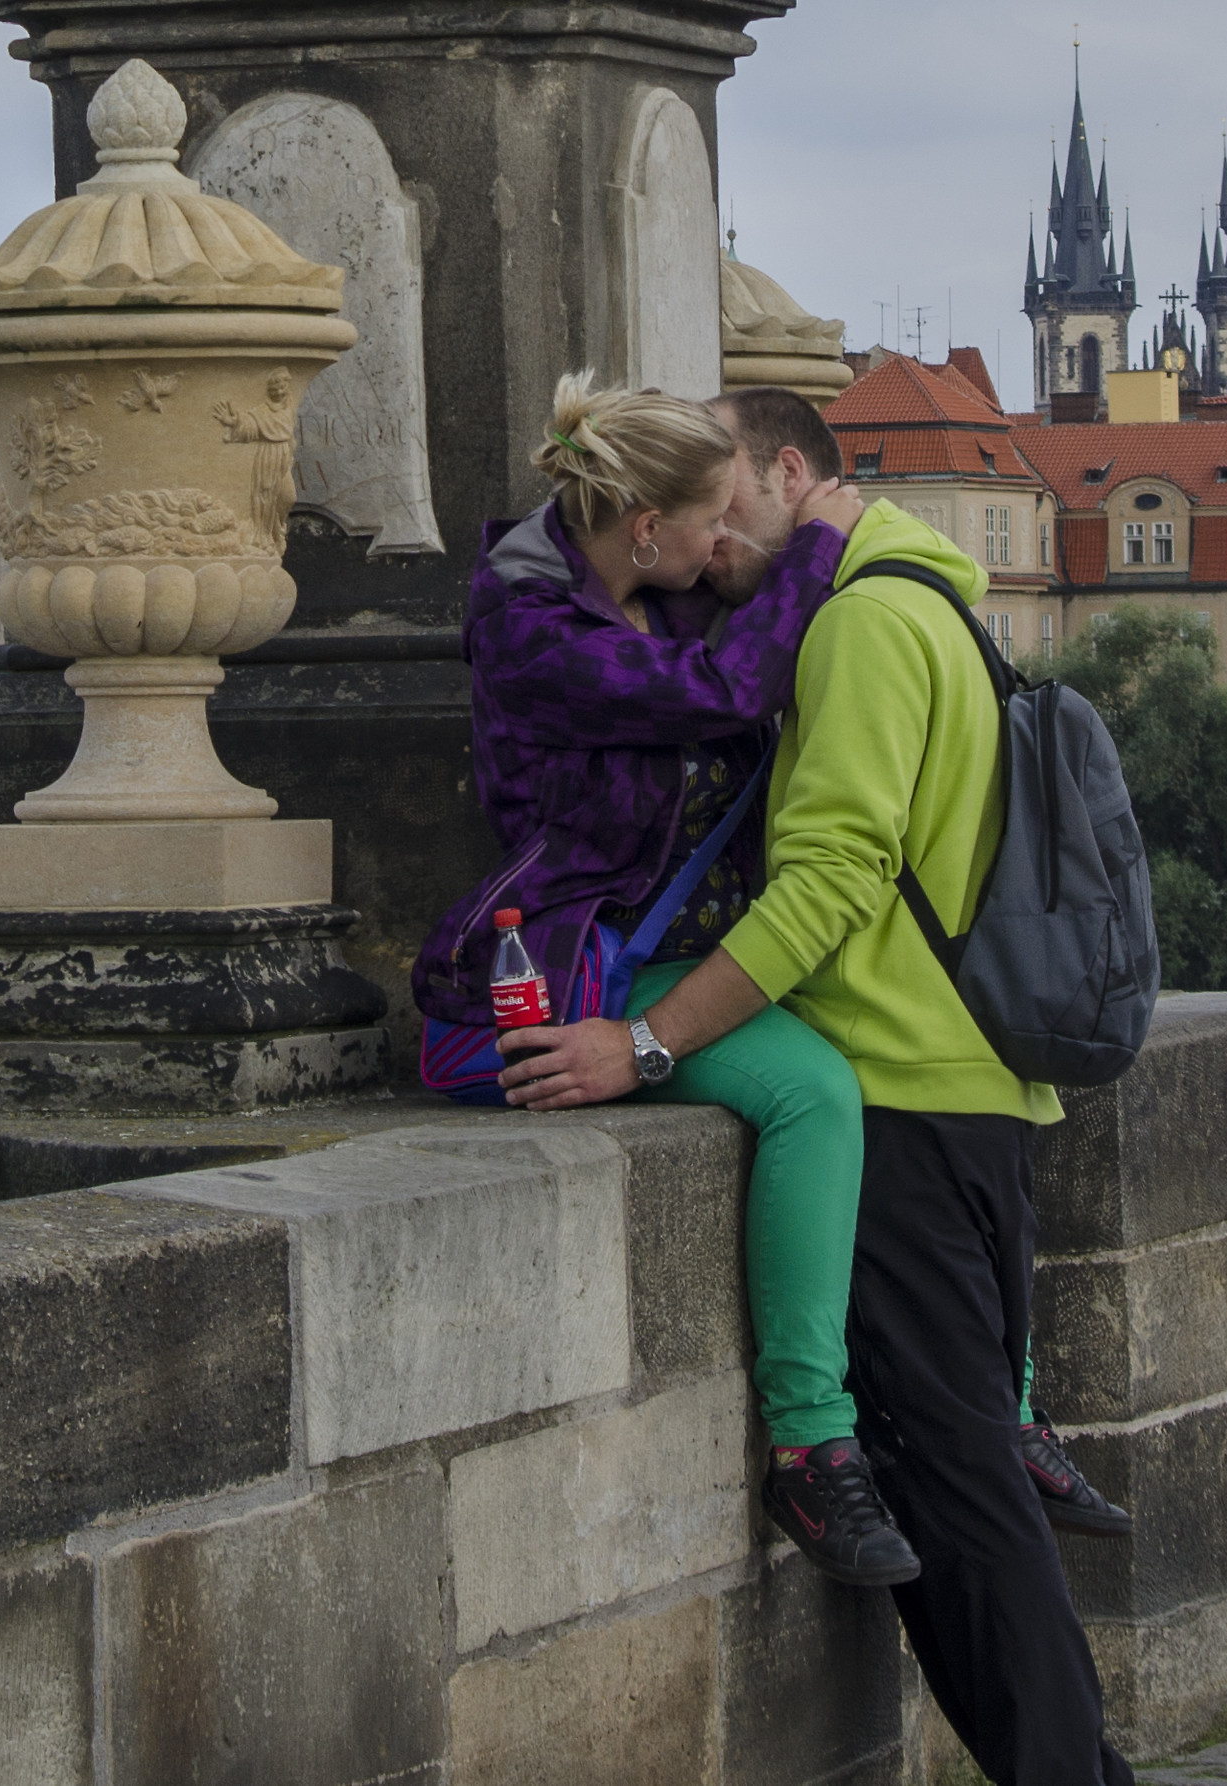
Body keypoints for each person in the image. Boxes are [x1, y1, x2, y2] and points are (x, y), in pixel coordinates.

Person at [500, 390, 1136, 1786]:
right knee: (985, 1486)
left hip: (904, 1088)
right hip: (979, 1082)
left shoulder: (856, 626)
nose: (710, 541)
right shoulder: (927, 588)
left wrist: (653, 1040)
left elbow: (833, 884)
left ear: (795, 474)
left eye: (726, 500)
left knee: (959, 1502)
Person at [412, 372, 918, 1586]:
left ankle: (991, 1393)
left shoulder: (647, 590)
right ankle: (811, 1449)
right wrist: (825, 545)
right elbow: (729, 691)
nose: (727, 540)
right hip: (590, 958)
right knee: (814, 1095)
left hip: (674, 937)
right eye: (712, 520)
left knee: (897, 1062)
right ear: (648, 529)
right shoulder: (529, 623)